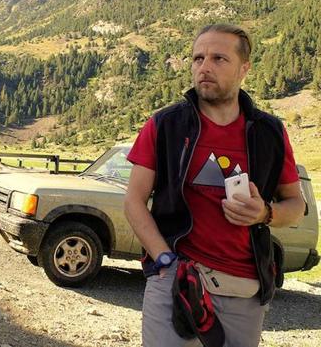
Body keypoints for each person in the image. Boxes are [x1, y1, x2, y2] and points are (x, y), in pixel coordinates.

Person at [123, 24, 306, 347]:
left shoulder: (270, 133)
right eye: (197, 58)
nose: (204, 67)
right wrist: (164, 260)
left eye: (219, 58)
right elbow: (134, 201)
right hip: (176, 278)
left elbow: (296, 206)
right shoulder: (164, 125)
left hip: (244, 289)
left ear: (244, 68)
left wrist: (264, 213)